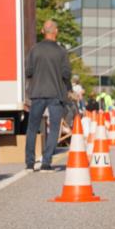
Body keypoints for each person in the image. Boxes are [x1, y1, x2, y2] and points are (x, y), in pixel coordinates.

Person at [24, 19, 71, 172]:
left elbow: (29, 71)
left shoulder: (34, 50)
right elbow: (66, 74)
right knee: (54, 128)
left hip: (37, 93)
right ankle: (46, 163)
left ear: (43, 32)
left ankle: (30, 163)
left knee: (32, 128)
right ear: (56, 31)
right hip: (56, 94)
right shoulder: (61, 51)